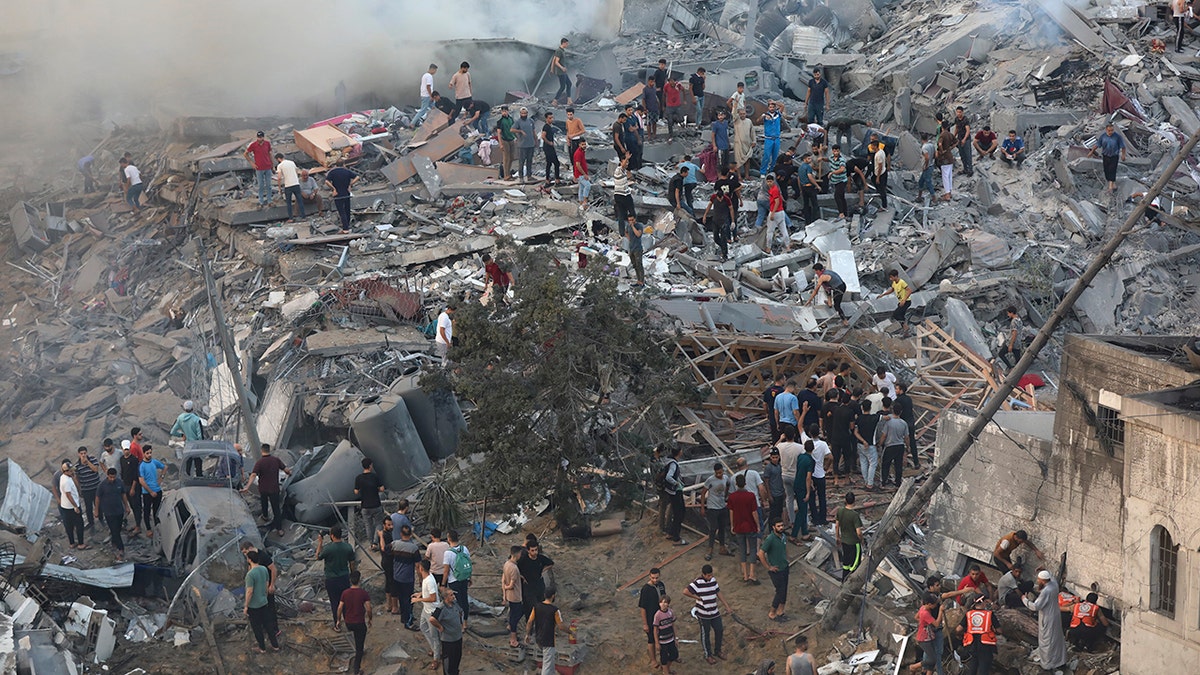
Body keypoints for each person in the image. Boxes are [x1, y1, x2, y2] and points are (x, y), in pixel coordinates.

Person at [684, 564, 732, 664]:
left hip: (714, 611)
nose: (710, 577)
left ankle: (717, 650)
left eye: (711, 575)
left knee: (719, 630)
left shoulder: (713, 580)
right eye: (708, 576)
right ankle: (708, 654)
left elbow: (718, 593)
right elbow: (685, 591)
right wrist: (697, 597)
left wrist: (727, 606)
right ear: (703, 574)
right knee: (705, 634)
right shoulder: (697, 583)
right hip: (703, 613)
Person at [243, 443, 290, 536]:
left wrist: (247, 486)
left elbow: (253, 475)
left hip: (263, 489)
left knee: (264, 503)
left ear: (262, 451)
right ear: (269, 450)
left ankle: (265, 516)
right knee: (276, 509)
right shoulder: (276, 460)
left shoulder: (259, 462)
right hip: (274, 489)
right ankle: (279, 529)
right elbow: (286, 470)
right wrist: (290, 473)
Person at [316, 526, 356, 628]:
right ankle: (349, 623)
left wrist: (320, 542)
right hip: (344, 578)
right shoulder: (348, 547)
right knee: (346, 602)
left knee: (335, 603)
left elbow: (318, 556)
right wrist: (352, 575)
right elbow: (352, 563)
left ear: (332, 536)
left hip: (331, 579)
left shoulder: (328, 548)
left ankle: (337, 624)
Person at [245, 550, 281, 653]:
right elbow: (266, 584)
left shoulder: (250, 575)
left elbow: (249, 591)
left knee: (257, 628)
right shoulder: (264, 569)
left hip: (254, 605)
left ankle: (262, 648)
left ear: (250, 559)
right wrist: (264, 596)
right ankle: (275, 645)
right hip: (264, 602)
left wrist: (246, 606)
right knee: (268, 624)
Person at [728, 473, 760, 583]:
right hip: (750, 525)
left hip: (738, 526)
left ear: (736, 484)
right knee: (752, 548)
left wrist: (732, 525)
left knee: (742, 549)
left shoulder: (732, 497)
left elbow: (731, 512)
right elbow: (754, 512)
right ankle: (752, 574)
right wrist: (758, 525)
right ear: (745, 483)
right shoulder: (751, 496)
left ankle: (745, 575)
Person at [338, 572, 372, 673]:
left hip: (349, 622)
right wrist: (370, 619)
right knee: (359, 647)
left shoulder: (345, 593)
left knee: (353, 638)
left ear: (350, 580)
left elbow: (340, 607)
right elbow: (369, 609)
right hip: (359, 623)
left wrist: (338, 620)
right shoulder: (363, 593)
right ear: (359, 580)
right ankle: (356, 669)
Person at [698, 463, 732, 560]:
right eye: (717, 473)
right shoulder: (710, 480)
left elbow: (728, 485)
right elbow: (703, 493)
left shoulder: (726, 478)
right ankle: (710, 549)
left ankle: (722, 547)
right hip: (712, 507)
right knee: (713, 528)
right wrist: (702, 507)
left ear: (723, 471)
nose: (719, 475)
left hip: (722, 506)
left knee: (722, 527)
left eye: (720, 473)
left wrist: (725, 496)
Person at [958, 595, 999, 675]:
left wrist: (961, 634)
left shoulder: (968, 614)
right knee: (984, 670)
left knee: (972, 668)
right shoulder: (989, 614)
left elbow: (958, 629)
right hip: (986, 645)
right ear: (983, 602)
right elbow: (999, 630)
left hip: (972, 645)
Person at [391, 524, 421, 630]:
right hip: (408, 578)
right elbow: (418, 566)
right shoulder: (414, 548)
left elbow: (385, 551)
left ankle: (404, 618)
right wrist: (421, 579)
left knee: (402, 599)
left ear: (400, 534)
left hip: (396, 576)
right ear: (411, 535)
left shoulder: (394, 544)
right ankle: (408, 622)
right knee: (409, 600)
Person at [96, 468, 130, 561]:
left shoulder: (119, 483)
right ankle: (121, 549)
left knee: (118, 529)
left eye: (113, 477)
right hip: (108, 512)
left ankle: (114, 542)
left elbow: (123, 495)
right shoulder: (102, 485)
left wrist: (127, 506)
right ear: (107, 475)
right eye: (110, 477)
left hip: (119, 511)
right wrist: (96, 510)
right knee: (114, 530)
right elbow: (98, 498)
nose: (112, 479)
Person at [528, 587, 564, 675]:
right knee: (547, 665)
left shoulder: (536, 607)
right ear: (553, 596)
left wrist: (527, 634)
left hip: (539, 638)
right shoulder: (554, 610)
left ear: (544, 595)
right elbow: (561, 627)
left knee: (550, 662)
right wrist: (571, 632)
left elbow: (530, 622)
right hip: (548, 640)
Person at [414, 559, 442, 669]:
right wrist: (420, 594)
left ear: (421, 569)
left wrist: (419, 600)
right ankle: (436, 649)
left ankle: (436, 658)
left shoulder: (429, 580)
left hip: (432, 611)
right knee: (423, 627)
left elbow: (433, 598)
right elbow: (428, 592)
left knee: (435, 636)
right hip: (426, 609)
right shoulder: (427, 578)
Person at [759, 519, 790, 621]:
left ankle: (780, 611)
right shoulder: (770, 539)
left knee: (784, 590)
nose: (781, 528)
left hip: (784, 567)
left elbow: (785, 549)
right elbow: (761, 553)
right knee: (780, 591)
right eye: (778, 526)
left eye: (782, 525)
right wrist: (768, 567)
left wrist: (787, 559)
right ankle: (772, 612)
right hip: (776, 570)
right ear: (773, 527)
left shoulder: (783, 536)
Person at [430, 587, 465, 675]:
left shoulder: (455, 603)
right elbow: (432, 619)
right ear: (446, 598)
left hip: (458, 638)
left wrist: (461, 623)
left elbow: (460, 612)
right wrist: (440, 627)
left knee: (457, 658)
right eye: (451, 595)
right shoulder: (441, 608)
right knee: (448, 662)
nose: (453, 596)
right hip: (448, 641)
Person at [518, 539, 555, 620]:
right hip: (528, 587)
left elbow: (551, 563)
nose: (535, 552)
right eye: (532, 550)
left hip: (539, 586)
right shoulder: (523, 560)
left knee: (541, 605)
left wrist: (543, 570)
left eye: (536, 550)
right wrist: (522, 577)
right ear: (528, 551)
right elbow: (516, 569)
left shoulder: (540, 558)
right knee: (530, 607)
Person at [876, 398, 909, 488]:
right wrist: (908, 447)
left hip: (889, 446)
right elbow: (906, 437)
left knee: (885, 464)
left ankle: (883, 482)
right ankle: (898, 482)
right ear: (901, 412)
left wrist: (879, 444)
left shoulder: (888, 422)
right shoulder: (904, 423)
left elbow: (884, 435)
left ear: (892, 410)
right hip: (900, 446)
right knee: (898, 465)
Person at [638, 567, 667, 667]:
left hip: (662, 616)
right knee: (651, 639)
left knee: (664, 636)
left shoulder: (661, 585)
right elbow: (642, 607)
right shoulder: (645, 589)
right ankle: (653, 660)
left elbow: (665, 599)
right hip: (651, 617)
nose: (655, 580)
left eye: (657, 578)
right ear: (649, 576)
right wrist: (645, 623)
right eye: (653, 578)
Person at [352, 458, 384, 546]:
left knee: (368, 525)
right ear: (370, 465)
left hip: (365, 506)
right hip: (376, 504)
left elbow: (356, 491)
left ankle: (371, 543)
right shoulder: (374, 476)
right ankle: (375, 542)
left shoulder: (359, 478)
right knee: (378, 523)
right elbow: (382, 489)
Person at [789, 438, 816, 542]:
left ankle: (805, 533)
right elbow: (808, 477)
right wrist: (808, 492)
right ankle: (794, 535)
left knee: (803, 509)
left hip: (797, 483)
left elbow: (802, 472)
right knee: (802, 512)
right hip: (802, 488)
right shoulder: (811, 461)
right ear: (813, 449)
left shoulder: (800, 457)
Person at [1089, 123, 1126, 193]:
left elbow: (1123, 146)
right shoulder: (1103, 137)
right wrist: (1091, 152)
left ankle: (1110, 187)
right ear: (1106, 130)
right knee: (1106, 170)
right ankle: (1113, 184)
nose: (1110, 132)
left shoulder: (1117, 137)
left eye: (1112, 130)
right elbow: (1097, 145)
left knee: (1112, 170)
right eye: (1109, 131)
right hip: (1105, 156)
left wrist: (1123, 155)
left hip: (1114, 156)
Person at [443, 529, 471, 621]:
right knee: (465, 600)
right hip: (464, 578)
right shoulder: (465, 549)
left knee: (457, 602)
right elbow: (469, 564)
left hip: (453, 580)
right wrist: (470, 577)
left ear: (449, 539)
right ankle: (465, 622)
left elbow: (446, 571)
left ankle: (460, 622)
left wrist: (443, 584)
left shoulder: (448, 553)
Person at [806, 424, 831, 525]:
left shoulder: (807, 443)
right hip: (821, 474)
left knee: (812, 497)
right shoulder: (823, 444)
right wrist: (826, 467)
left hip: (811, 475)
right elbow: (830, 457)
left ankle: (815, 518)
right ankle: (823, 518)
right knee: (822, 497)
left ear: (810, 433)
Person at [138, 445, 165, 538]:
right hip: (147, 493)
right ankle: (148, 529)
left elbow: (165, 467)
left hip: (157, 490)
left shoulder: (154, 462)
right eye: (147, 453)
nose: (149, 455)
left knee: (157, 511)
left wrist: (161, 478)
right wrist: (150, 491)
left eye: (150, 453)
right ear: (144, 453)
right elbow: (141, 481)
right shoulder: (141, 466)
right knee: (147, 510)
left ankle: (157, 527)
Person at [835, 492, 863, 581]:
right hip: (854, 542)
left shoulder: (840, 511)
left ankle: (844, 579)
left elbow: (836, 525)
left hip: (844, 541)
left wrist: (837, 537)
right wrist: (861, 540)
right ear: (854, 501)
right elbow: (858, 532)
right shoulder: (854, 515)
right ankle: (851, 581)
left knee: (846, 562)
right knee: (855, 563)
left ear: (845, 500)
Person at [324, 161, 359, 233]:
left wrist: (333, 189)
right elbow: (357, 177)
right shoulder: (347, 171)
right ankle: (347, 225)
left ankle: (345, 229)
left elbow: (327, 181)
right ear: (343, 164)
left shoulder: (332, 172)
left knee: (341, 211)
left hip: (338, 194)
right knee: (347, 210)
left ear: (336, 165)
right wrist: (350, 184)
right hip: (346, 193)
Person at [500, 546, 524, 648]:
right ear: (517, 554)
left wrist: (504, 595)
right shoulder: (514, 568)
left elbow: (503, 579)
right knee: (516, 615)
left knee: (514, 614)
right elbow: (510, 585)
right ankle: (513, 638)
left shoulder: (507, 564)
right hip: (515, 596)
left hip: (510, 596)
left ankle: (511, 626)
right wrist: (506, 587)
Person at [662, 445, 686, 544]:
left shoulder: (669, 461)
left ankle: (671, 532)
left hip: (671, 491)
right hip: (675, 491)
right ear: (679, 452)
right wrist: (676, 483)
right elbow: (669, 477)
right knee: (680, 513)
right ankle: (676, 537)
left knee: (677, 512)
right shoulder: (673, 464)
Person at [703, 184, 735, 259]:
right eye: (719, 198)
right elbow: (709, 206)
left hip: (724, 221)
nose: (720, 200)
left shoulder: (727, 199)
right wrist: (705, 215)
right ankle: (724, 248)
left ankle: (724, 254)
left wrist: (733, 221)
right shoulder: (713, 197)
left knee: (723, 238)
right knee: (716, 238)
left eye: (721, 198)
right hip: (715, 220)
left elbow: (731, 209)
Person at [73, 446, 101, 532]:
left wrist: (87, 462)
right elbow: (76, 477)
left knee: (99, 505)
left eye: (85, 453)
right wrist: (79, 488)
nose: (83, 455)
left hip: (96, 487)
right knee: (88, 508)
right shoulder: (77, 466)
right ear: (78, 454)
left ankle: (101, 520)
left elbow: (96, 469)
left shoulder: (93, 460)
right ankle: (91, 524)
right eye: (81, 454)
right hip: (86, 489)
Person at [853, 400, 880, 489]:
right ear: (871, 408)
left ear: (862, 408)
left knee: (863, 462)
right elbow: (885, 417)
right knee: (873, 463)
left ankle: (866, 481)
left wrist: (863, 441)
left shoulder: (859, 419)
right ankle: (870, 483)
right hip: (871, 445)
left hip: (860, 444)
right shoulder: (874, 418)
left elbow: (855, 432)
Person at [59, 464, 86, 549]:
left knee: (69, 525)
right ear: (66, 471)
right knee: (79, 525)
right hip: (71, 506)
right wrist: (75, 506)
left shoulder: (63, 477)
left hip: (65, 506)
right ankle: (81, 544)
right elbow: (68, 495)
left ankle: (72, 542)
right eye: (71, 470)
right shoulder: (66, 481)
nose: (72, 472)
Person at [243, 131, 274, 207]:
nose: (260, 139)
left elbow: (270, 153)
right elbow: (245, 154)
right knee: (261, 185)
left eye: (261, 137)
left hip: (267, 167)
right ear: (257, 137)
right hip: (259, 168)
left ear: (263, 137)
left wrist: (272, 164)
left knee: (269, 185)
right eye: (259, 137)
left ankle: (270, 201)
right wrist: (252, 163)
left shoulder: (267, 144)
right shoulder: (253, 145)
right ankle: (261, 201)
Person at [119, 441, 142, 536]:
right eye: (125, 450)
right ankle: (136, 524)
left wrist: (133, 488)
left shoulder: (134, 460)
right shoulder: (122, 459)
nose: (126, 452)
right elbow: (123, 473)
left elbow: (136, 475)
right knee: (132, 505)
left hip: (134, 486)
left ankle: (138, 526)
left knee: (137, 506)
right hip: (126, 485)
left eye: (127, 450)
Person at [915, 593, 942, 675]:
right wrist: (940, 611)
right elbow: (937, 624)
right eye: (934, 605)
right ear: (929, 604)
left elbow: (916, 617)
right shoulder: (925, 613)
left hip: (928, 636)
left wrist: (923, 623)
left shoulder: (923, 608)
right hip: (924, 638)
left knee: (931, 658)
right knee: (932, 659)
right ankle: (914, 667)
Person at [652, 594, 680, 674]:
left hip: (670, 639)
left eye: (665, 603)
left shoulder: (671, 612)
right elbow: (655, 630)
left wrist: (676, 638)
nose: (663, 604)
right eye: (662, 602)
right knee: (664, 658)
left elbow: (674, 626)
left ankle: (666, 669)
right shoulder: (657, 615)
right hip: (662, 641)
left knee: (674, 655)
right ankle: (666, 672)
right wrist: (657, 643)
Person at [765, 175, 790, 252]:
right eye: (768, 181)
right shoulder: (776, 188)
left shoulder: (774, 190)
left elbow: (777, 202)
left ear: (773, 181)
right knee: (784, 230)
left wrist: (772, 213)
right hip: (781, 212)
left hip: (775, 212)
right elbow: (780, 198)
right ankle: (788, 246)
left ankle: (768, 248)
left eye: (770, 181)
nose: (769, 183)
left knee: (770, 231)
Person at [763, 450, 787, 526]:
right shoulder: (768, 468)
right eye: (773, 457)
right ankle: (771, 530)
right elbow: (766, 482)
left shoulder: (780, 466)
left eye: (776, 457)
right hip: (773, 494)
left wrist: (784, 491)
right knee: (773, 514)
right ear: (770, 457)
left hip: (780, 492)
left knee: (779, 512)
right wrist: (769, 495)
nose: (775, 459)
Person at [732, 108, 756, 181]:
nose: (742, 115)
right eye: (741, 114)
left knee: (747, 160)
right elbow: (733, 113)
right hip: (738, 144)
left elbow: (752, 132)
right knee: (738, 161)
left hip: (747, 144)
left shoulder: (749, 121)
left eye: (744, 114)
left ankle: (747, 175)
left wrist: (754, 141)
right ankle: (739, 176)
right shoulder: (736, 121)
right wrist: (735, 103)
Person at [514, 107, 537, 182]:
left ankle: (529, 176)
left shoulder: (531, 121)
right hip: (522, 145)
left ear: (527, 113)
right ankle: (521, 177)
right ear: (520, 114)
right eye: (522, 113)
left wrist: (535, 140)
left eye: (525, 113)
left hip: (530, 144)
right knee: (521, 161)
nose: (523, 114)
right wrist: (520, 131)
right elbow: (512, 129)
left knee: (529, 161)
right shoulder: (518, 122)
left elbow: (533, 131)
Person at [936, 123, 958, 201]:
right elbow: (956, 142)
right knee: (949, 175)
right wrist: (950, 148)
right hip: (950, 156)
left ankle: (947, 194)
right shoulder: (950, 134)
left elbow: (940, 144)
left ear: (942, 127)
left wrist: (942, 151)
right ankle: (950, 192)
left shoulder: (942, 135)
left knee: (945, 176)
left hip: (944, 157)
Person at [762, 375, 786, 441]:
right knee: (782, 436)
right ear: (781, 380)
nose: (785, 381)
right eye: (784, 380)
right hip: (781, 417)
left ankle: (774, 448)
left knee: (774, 435)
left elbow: (764, 404)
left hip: (772, 415)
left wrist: (766, 413)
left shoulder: (768, 390)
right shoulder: (782, 391)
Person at [828, 145, 849, 218]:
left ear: (839, 151)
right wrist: (821, 158)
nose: (836, 152)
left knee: (837, 196)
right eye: (834, 151)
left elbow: (842, 169)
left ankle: (841, 213)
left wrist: (832, 173)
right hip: (835, 181)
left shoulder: (841, 160)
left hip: (841, 181)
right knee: (841, 196)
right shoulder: (831, 157)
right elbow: (827, 159)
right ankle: (845, 213)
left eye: (837, 151)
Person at [762, 101, 782, 175]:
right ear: (768, 108)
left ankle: (771, 170)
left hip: (776, 138)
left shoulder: (778, 114)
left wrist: (774, 102)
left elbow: (782, 106)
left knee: (775, 156)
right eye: (770, 107)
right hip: (768, 138)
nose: (772, 108)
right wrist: (763, 117)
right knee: (766, 156)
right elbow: (758, 120)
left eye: (773, 107)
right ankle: (763, 172)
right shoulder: (765, 115)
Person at [540, 112, 562, 184]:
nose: (551, 119)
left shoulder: (550, 126)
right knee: (556, 163)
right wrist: (549, 142)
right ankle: (557, 179)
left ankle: (547, 179)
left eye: (552, 118)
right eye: (550, 118)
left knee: (549, 163)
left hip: (549, 147)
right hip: (548, 147)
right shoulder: (546, 127)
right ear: (546, 119)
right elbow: (543, 136)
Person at [550, 38, 572, 105]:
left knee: (569, 84)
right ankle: (554, 101)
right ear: (564, 43)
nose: (567, 45)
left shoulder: (562, 51)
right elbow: (556, 62)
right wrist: (562, 68)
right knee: (562, 87)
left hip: (563, 71)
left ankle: (569, 100)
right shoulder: (559, 51)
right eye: (567, 43)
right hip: (560, 72)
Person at [953, 107, 973, 177]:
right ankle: (965, 169)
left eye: (960, 112)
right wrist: (953, 136)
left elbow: (968, 130)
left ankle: (970, 170)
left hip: (966, 139)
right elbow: (956, 128)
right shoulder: (956, 119)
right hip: (959, 138)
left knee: (968, 155)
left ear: (962, 112)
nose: (958, 114)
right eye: (957, 112)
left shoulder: (965, 120)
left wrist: (964, 139)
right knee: (962, 155)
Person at [573, 139, 591, 212]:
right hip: (580, 174)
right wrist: (584, 174)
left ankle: (581, 203)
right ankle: (585, 202)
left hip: (580, 174)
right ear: (579, 145)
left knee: (581, 188)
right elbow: (577, 165)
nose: (584, 146)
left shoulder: (582, 151)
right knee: (587, 185)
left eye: (585, 144)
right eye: (582, 144)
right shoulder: (578, 153)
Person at [871, 138, 889, 209]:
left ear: (875, 146)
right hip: (882, 172)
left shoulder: (878, 155)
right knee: (873, 179)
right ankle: (879, 192)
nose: (871, 147)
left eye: (872, 146)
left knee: (882, 190)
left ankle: (884, 206)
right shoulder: (881, 151)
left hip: (880, 174)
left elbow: (880, 166)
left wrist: (878, 177)